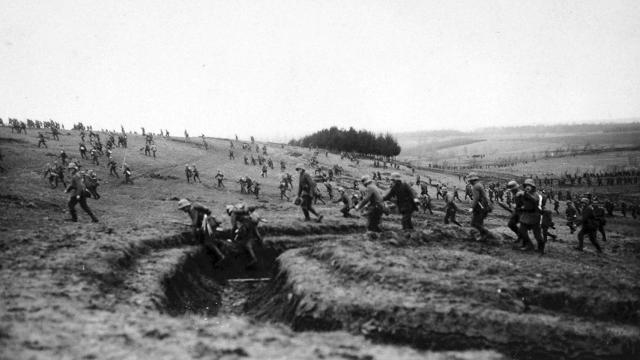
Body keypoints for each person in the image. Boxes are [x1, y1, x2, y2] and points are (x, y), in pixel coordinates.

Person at [178, 199, 225, 266]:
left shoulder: (192, 210)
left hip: (209, 224)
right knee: (204, 238)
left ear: (186, 206)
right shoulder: (192, 209)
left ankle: (221, 256)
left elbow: (195, 222)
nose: (183, 211)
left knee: (208, 242)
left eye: (183, 209)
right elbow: (197, 221)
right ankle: (217, 245)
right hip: (208, 223)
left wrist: (193, 228)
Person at [519, 179, 545, 254]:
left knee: (537, 235)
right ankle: (529, 245)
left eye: (529, 186)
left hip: (534, 216)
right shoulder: (524, 194)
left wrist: (527, 195)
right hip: (525, 215)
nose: (527, 187)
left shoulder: (536, 195)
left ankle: (541, 249)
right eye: (526, 186)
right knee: (522, 231)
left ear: (533, 187)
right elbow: (524, 203)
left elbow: (535, 201)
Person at [467, 172, 492, 241]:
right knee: (479, 222)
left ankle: (486, 234)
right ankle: (480, 236)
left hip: (480, 207)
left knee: (475, 223)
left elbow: (476, 198)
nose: (469, 182)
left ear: (472, 180)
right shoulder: (479, 185)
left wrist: (472, 207)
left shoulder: (475, 187)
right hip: (484, 206)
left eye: (469, 180)